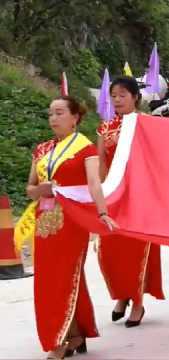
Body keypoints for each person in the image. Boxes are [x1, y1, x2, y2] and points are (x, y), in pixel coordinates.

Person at [28, 96, 118, 359]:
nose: (53, 119)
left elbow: (94, 184)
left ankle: (59, 341)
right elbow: (31, 189)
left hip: (71, 222)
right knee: (47, 280)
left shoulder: (85, 148)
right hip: (44, 222)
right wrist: (40, 190)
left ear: (75, 117)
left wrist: (102, 212)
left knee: (63, 276)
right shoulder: (42, 150)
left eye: (59, 113)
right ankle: (76, 333)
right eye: (50, 114)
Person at [97, 77, 165, 328]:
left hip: (139, 199)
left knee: (137, 250)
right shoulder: (105, 128)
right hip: (114, 197)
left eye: (122, 95)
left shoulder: (146, 125)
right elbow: (101, 162)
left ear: (135, 97)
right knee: (110, 251)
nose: (117, 99)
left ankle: (137, 301)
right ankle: (121, 295)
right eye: (113, 95)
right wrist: (102, 194)